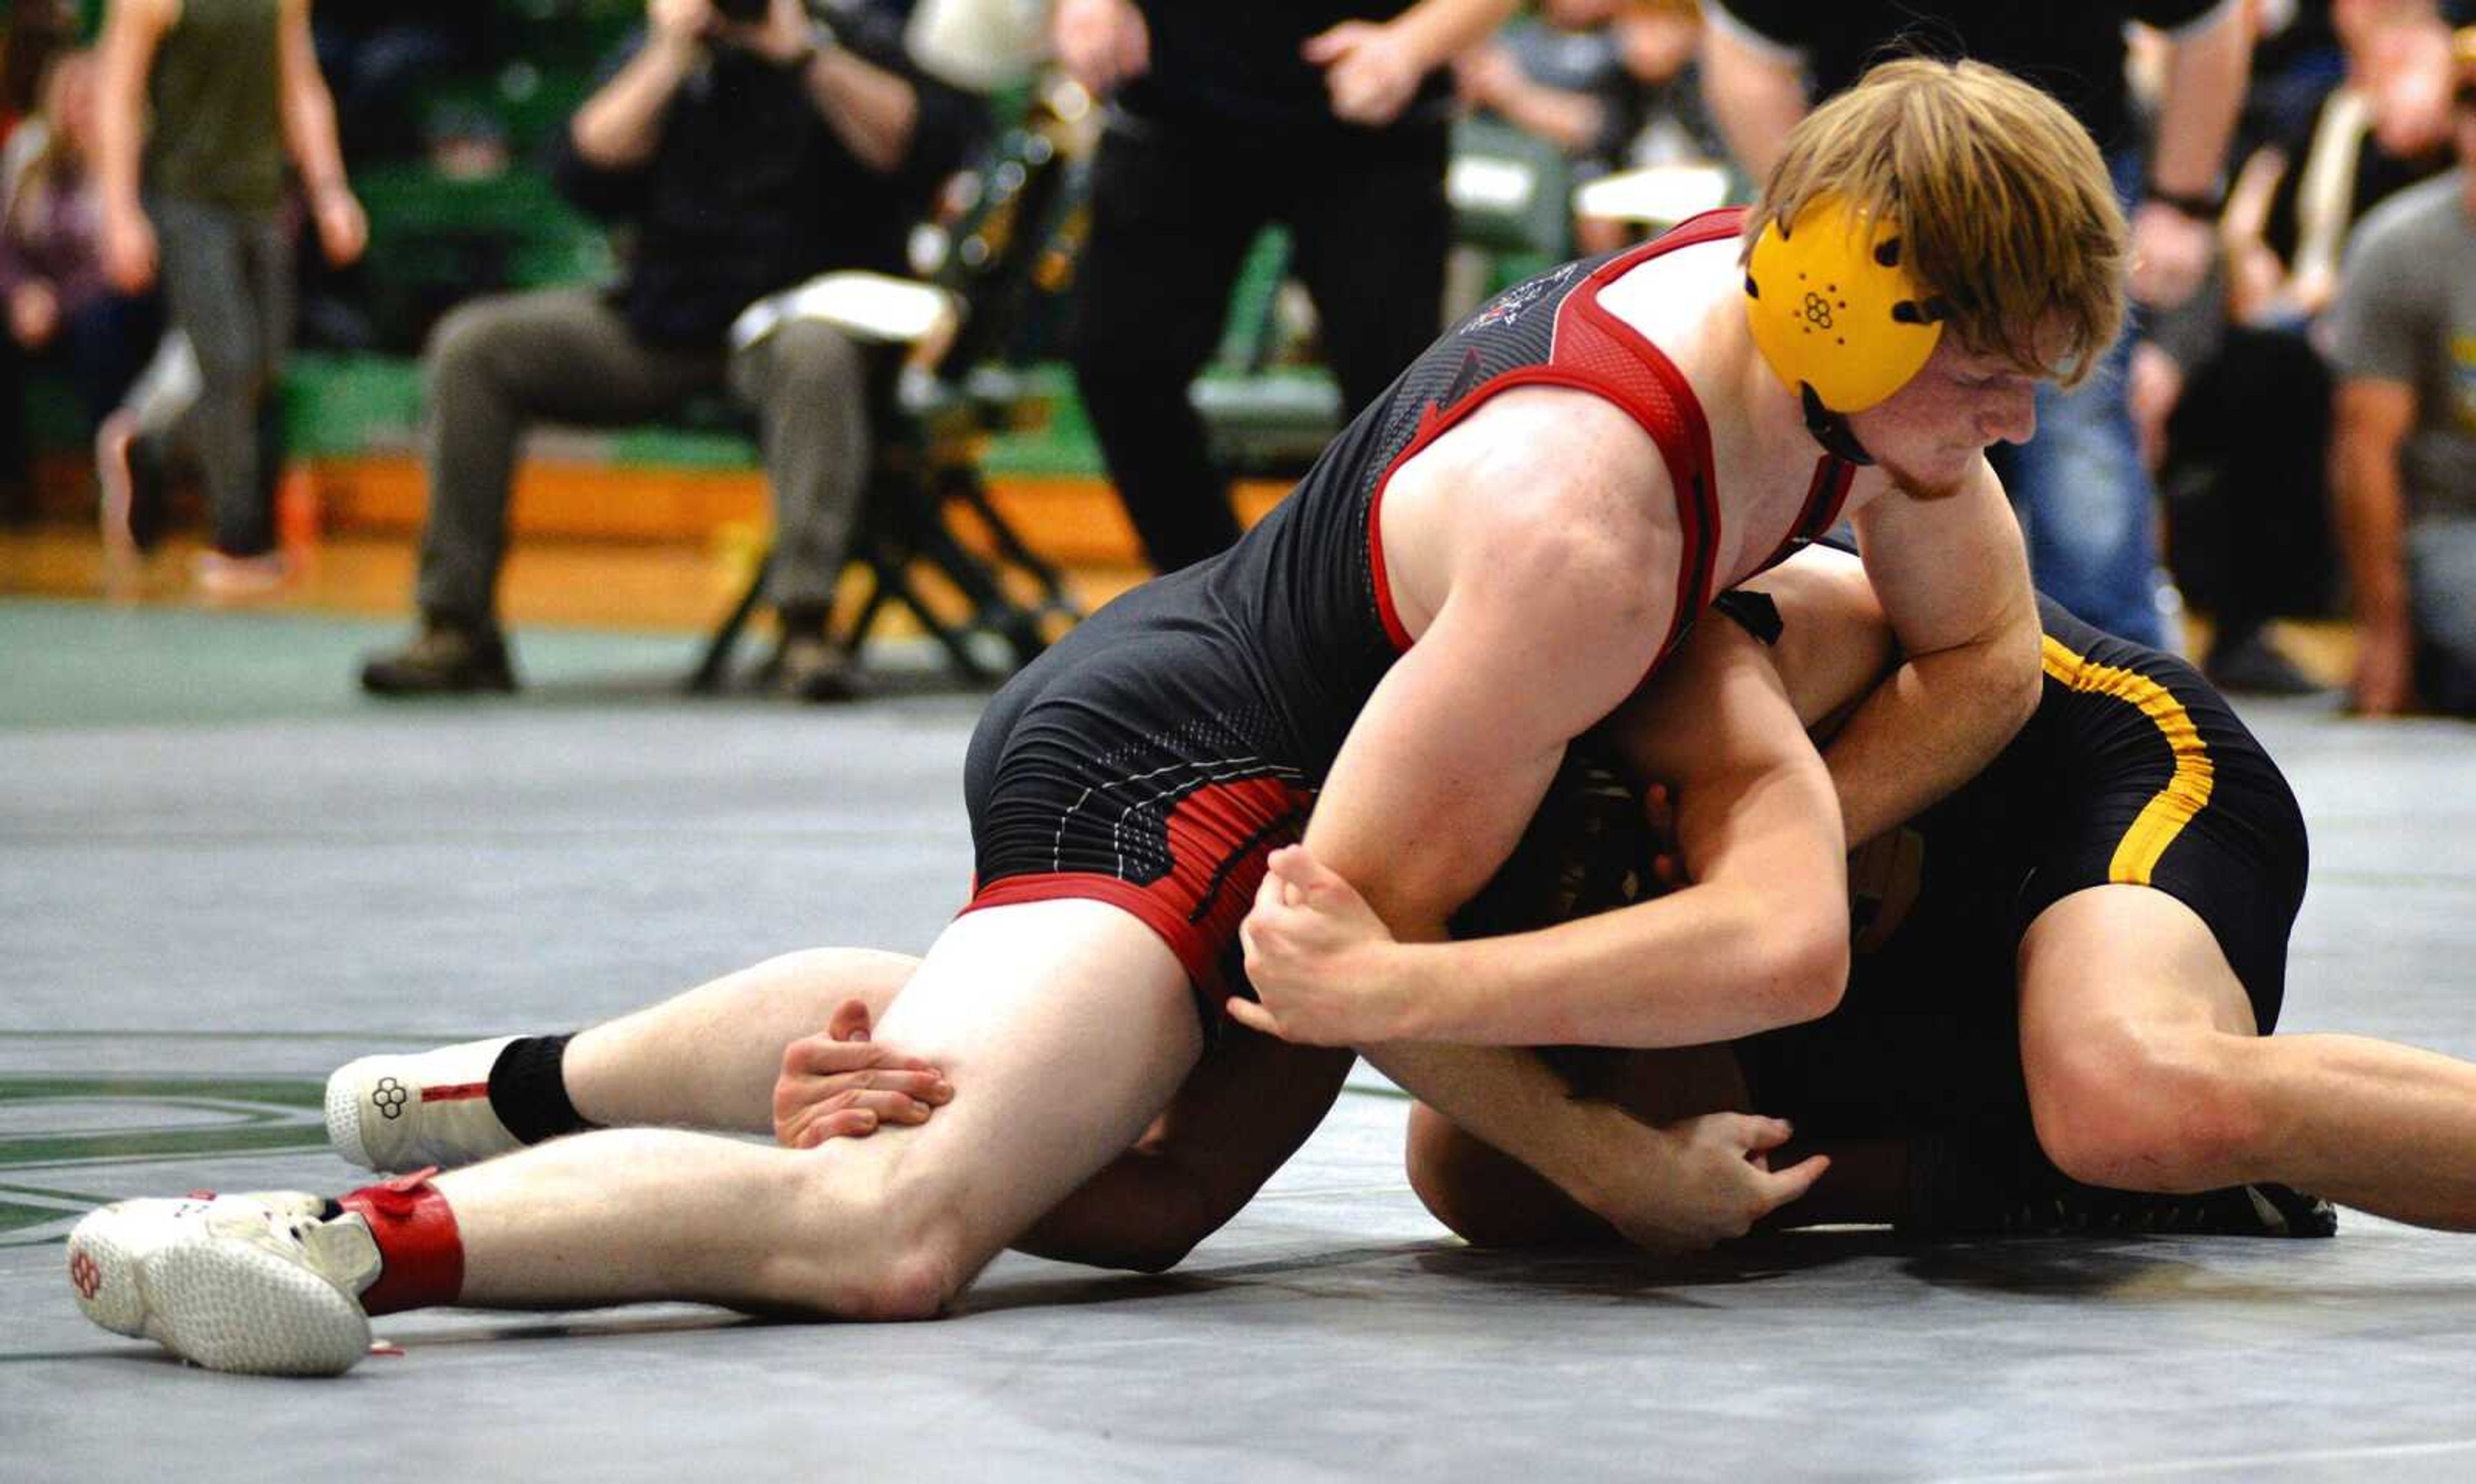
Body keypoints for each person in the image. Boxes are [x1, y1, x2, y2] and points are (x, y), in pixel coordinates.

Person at [63, 57, 2124, 1374]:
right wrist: (1599, 1154)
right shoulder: (1588, 522)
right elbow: (1341, 960)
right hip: (1188, 763)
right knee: (900, 1221)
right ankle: (323, 1241)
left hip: (1296, 752)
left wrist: (1763, 804)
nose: (2017, 428)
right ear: (1850, 298)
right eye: (1991, 378)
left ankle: (503, 1086)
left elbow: (1986, 666)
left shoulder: (1861, 393)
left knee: (1131, 1200)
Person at [353, 0, 980, 703]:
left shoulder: (855, 40)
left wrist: (802, 55)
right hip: (663, 323)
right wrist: (671, 55)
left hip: (794, 324)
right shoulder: (669, 48)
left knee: (814, 353)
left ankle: (807, 628)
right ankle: (457, 627)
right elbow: (580, 166)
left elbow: (920, 147)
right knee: (475, 346)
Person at [1698, 0, 2255, 651]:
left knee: (2074, 431)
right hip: (1871, 204)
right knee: (1862, 424)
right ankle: (1849, 654)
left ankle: (2111, 671)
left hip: (2055, 192)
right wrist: (1813, 216)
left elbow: (2208, 27)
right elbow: (1744, 51)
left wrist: (2182, 201)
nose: (2007, 416)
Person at [1055, 0, 1514, 574]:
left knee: (1395, 395)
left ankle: (1376, 613)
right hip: (1177, 102)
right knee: (1116, 359)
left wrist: (1412, 44)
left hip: (1372, 113)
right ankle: (1205, 601)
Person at [93, 0, 366, 600]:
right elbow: (116, 95)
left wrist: (330, 192)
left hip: (262, 198)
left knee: (262, 368)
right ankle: (237, 541)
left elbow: (300, 84)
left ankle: (152, 450)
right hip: (185, 202)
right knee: (228, 362)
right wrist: (118, 212)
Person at [2324, 28, 2476, 715]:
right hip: (2452, 522)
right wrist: (2384, 633)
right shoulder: (2401, 247)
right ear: (2457, 121)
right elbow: (2366, 445)